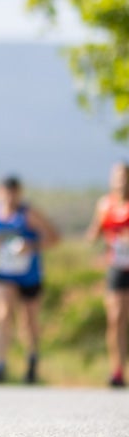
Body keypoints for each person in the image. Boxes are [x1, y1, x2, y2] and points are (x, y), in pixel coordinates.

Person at [0, 176, 60, 384]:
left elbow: (54, 237)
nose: (9, 197)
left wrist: (30, 246)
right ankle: (0, 364)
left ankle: (32, 360)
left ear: (19, 193)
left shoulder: (29, 214)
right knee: (3, 314)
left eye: (13, 193)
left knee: (28, 321)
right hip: (5, 273)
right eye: (5, 192)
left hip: (29, 274)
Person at [85, 161, 129, 388]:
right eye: (116, 176)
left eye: (123, 176)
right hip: (117, 267)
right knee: (116, 319)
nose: (120, 180)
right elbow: (93, 235)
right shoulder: (105, 205)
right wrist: (97, 231)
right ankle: (117, 371)